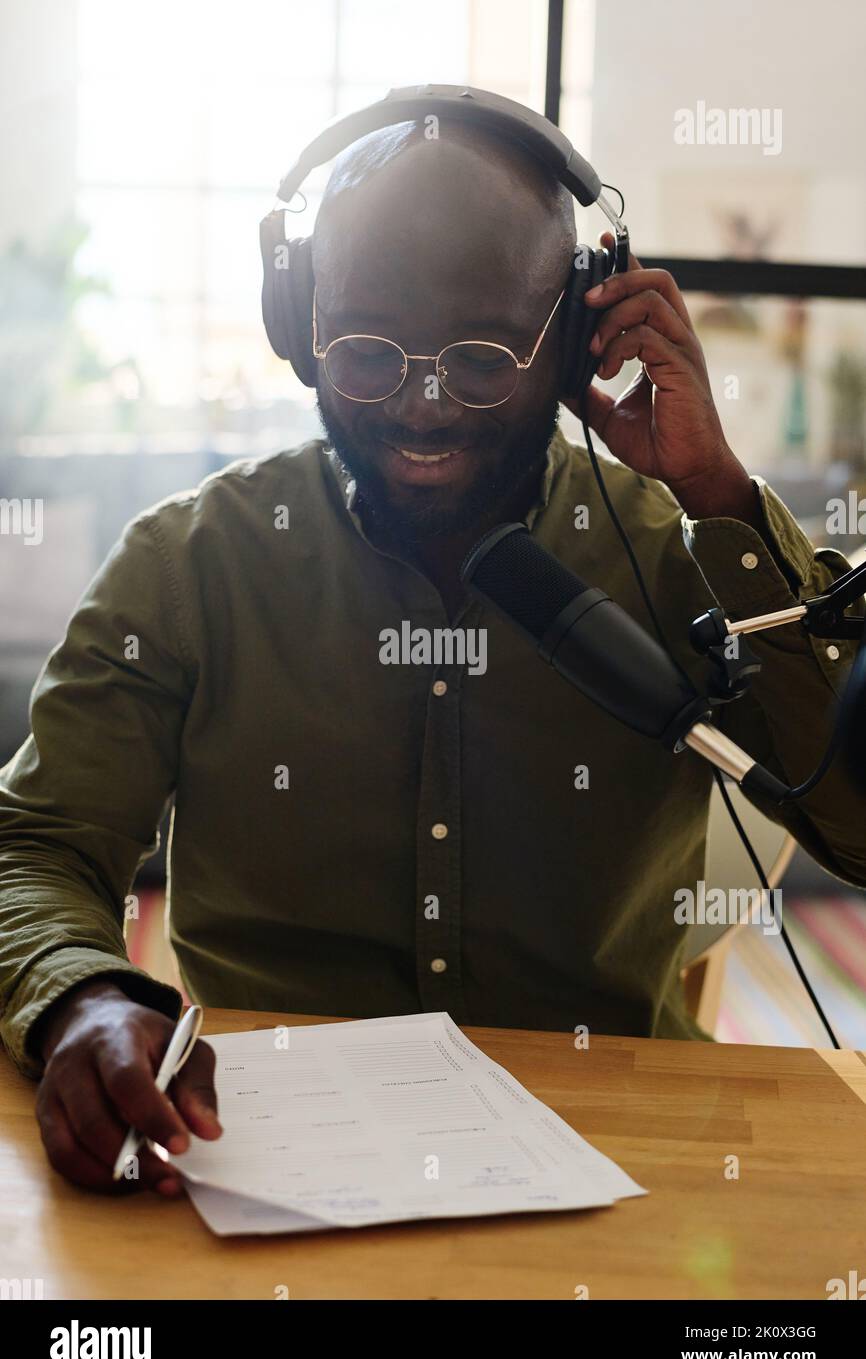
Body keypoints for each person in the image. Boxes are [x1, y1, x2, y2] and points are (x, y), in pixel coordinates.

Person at [1, 117, 864, 1198]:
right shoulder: (192, 564)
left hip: (625, 1159)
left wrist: (721, 501)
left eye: (482, 356)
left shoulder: (673, 555)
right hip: (260, 1156)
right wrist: (81, 995)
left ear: (575, 337)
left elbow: (857, 831)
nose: (420, 406)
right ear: (296, 322)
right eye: (366, 351)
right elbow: (33, 843)